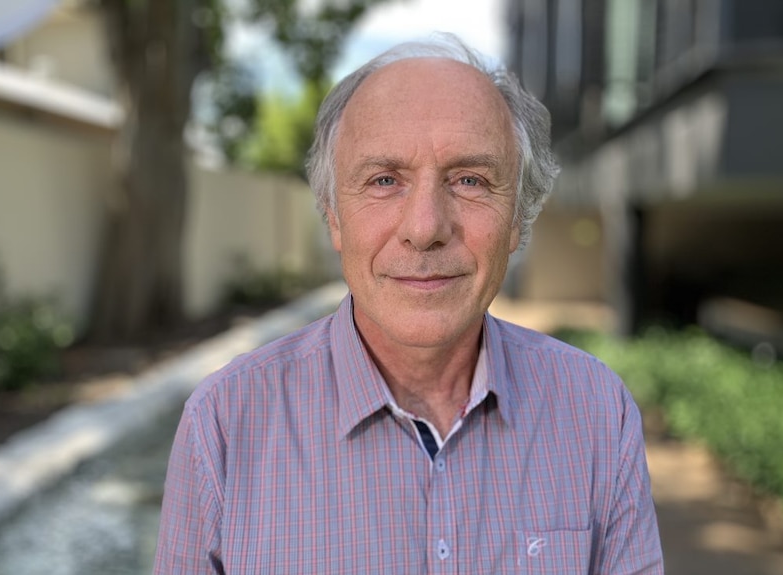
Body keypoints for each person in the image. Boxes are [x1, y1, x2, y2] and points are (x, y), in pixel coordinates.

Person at [153, 34, 663, 574]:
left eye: (469, 179)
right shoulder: (224, 427)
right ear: (333, 216)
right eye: (384, 180)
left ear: (517, 218)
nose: (425, 229)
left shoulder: (597, 412)